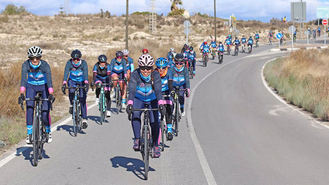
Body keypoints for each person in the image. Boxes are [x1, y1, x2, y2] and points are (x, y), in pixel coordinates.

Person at [126, 54, 166, 158]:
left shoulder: (155, 75)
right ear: (139, 67)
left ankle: (156, 145)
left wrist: (161, 104)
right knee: (135, 114)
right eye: (143, 68)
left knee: (155, 121)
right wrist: (130, 103)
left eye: (148, 68)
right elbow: (131, 89)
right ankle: (137, 139)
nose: (145, 70)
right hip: (138, 98)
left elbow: (158, 90)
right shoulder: (135, 74)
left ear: (152, 68)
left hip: (152, 99)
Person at [19, 46, 55, 144]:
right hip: (31, 87)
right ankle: (29, 133)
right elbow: (23, 80)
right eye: (32, 58)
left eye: (37, 58)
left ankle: (47, 131)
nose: (35, 60)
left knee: (44, 112)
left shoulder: (45, 65)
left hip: (43, 87)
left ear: (40, 57)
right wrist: (22, 93)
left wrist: (51, 93)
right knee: (30, 108)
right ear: (29, 58)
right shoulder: (25, 65)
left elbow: (49, 81)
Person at [62, 49, 89, 129]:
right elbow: (66, 72)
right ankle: (71, 104)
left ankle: (84, 119)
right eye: (74, 59)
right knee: (71, 90)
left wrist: (86, 83)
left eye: (77, 59)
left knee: (83, 99)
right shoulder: (69, 63)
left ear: (80, 59)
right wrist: (64, 83)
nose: (76, 61)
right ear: (72, 59)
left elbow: (86, 73)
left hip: (81, 81)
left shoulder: (83, 63)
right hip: (72, 80)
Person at [155, 57, 174, 140]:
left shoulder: (169, 72)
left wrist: (172, 91)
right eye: (159, 67)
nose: (161, 70)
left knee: (169, 109)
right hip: (157, 94)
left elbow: (170, 84)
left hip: (167, 93)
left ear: (167, 67)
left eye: (163, 68)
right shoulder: (154, 73)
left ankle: (169, 130)